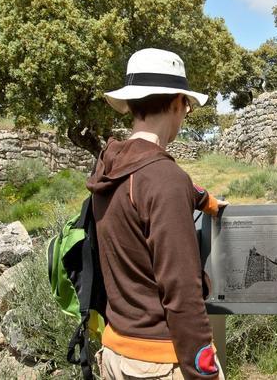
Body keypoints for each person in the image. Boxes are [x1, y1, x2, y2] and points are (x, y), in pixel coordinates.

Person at [87, 48, 227, 379]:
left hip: (117, 352)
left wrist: (201, 198)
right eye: (187, 107)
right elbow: (181, 290)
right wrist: (201, 371)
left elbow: (146, 193)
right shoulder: (164, 180)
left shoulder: (111, 166)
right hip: (160, 362)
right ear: (178, 102)